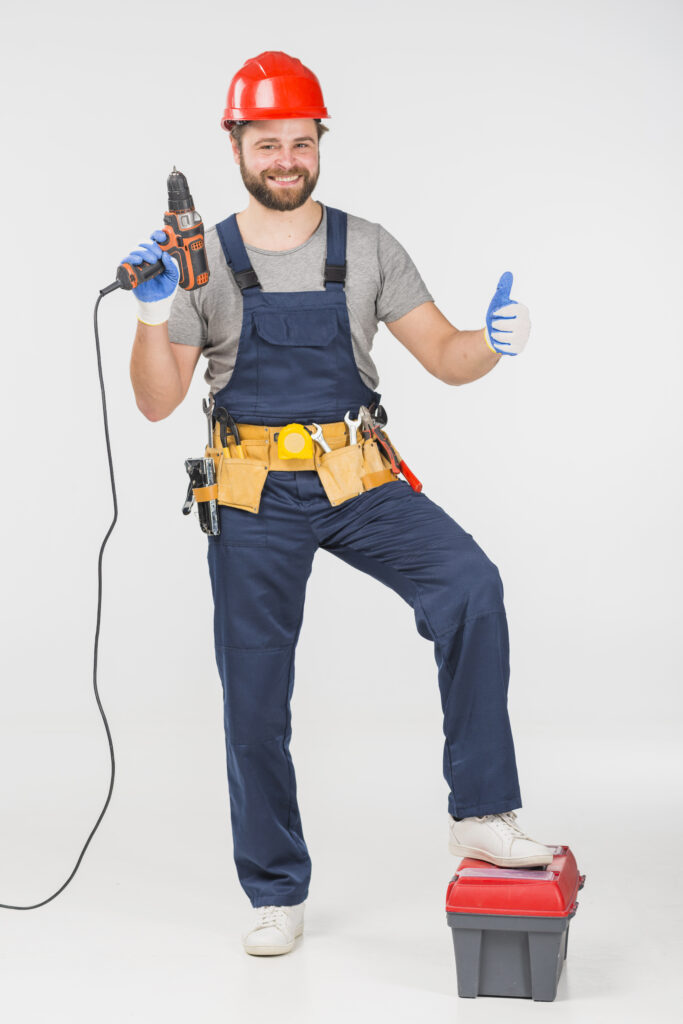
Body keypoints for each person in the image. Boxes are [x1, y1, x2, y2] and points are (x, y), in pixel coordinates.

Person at [125, 50, 554, 958]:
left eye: (301, 142)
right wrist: (153, 313)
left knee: (469, 587)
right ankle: (275, 891)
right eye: (268, 142)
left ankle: (480, 811)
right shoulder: (200, 262)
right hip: (248, 492)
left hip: (354, 476)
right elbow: (158, 401)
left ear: (320, 142)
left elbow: (444, 353)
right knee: (254, 697)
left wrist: (494, 342)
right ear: (236, 145)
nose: (286, 159)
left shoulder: (366, 247)